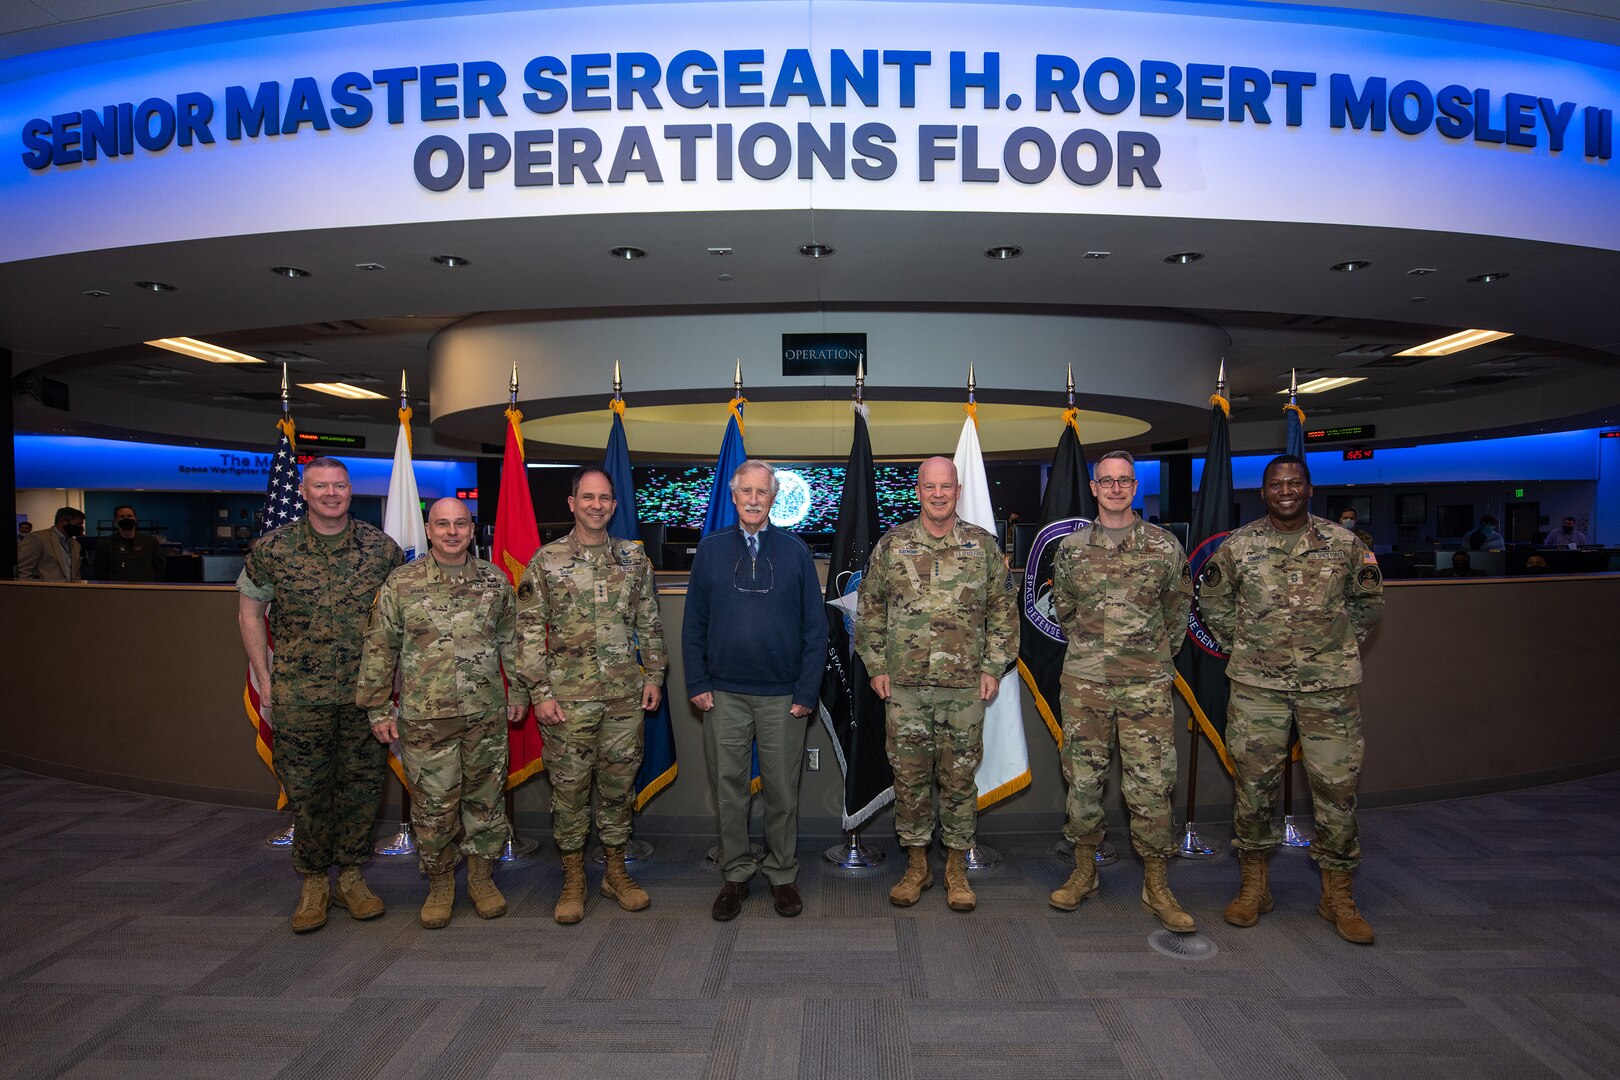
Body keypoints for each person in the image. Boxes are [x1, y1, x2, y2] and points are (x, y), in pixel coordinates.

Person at [1198, 454, 1384, 944]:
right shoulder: (1240, 546)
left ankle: (1338, 894)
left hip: (1330, 690)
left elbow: (1368, 604)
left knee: (1337, 790)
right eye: (1277, 484)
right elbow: (1213, 600)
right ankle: (1254, 886)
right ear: (1263, 492)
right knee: (1255, 788)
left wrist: (1337, 647)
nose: (1286, 490)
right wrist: (1241, 645)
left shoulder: (1345, 545)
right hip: (1258, 689)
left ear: (1309, 488)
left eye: (1294, 482)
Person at [236, 457, 404, 932]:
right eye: (320, 486)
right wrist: (264, 678)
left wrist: (394, 685)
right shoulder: (273, 548)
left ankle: (351, 877)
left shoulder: (380, 549)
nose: (331, 494)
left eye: (339, 486)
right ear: (304, 493)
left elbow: (398, 622)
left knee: (362, 789)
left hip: (365, 697)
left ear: (351, 491)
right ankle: (313, 881)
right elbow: (250, 613)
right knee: (307, 793)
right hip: (299, 696)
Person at [856, 456, 1018, 913]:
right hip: (905, 687)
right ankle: (917, 865)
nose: (939, 494)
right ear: (919, 490)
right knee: (909, 779)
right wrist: (876, 667)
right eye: (930, 486)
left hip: (964, 687)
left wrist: (992, 667)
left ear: (958, 489)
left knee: (959, 779)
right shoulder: (893, 545)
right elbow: (868, 609)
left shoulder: (982, 546)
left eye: (946, 486)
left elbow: (1005, 612)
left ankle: (956, 869)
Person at [357, 498, 527, 929]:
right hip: (426, 719)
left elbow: (513, 642)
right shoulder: (401, 583)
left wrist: (521, 690)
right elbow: (380, 647)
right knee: (434, 807)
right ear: (429, 530)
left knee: (485, 802)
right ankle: (439, 883)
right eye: (442, 524)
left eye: (461, 524)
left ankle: (483, 879)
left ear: (472, 530)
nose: (452, 532)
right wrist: (378, 707)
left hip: (485, 716)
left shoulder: (495, 581)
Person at [1047, 451, 1196, 931]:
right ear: (1094, 488)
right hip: (1085, 682)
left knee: (1151, 786)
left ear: (1135, 487)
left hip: (1146, 685)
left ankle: (1157, 886)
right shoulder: (1071, 548)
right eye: (1106, 481)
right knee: (1084, 782)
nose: (1115, 489)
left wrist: (1148, 657)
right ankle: (1084, 872)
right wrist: (1096, 651)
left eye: (1123, 481)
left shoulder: (1164, 546)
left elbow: (1178, 612)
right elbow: (1065, 610)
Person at [513, 466, 666, 925]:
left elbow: (649, 621)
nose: (596, 505)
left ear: (614, 505)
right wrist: (539, 692)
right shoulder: (547, 560)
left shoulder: (633, 559)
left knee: (619, 790)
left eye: (604, 498)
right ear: (572, 503)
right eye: (588, 498)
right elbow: (526, 633)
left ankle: (615, 871)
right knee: (571, 792)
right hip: (567, 700)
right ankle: (574, 877)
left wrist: (654, 676)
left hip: (624, 696)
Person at [684, 460, 827, 921]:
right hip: (723, 694)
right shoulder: (709, 550)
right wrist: (698, 681)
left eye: (761, 492)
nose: (752, 499)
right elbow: (694, 625)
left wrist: (807, 689)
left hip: (784, 696)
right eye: (744, 490)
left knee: (783, 790)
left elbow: (814, 628)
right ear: (733, 494)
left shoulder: (796, 551)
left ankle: (782, 875)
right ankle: (737, 873)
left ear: (774, 496)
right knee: (730, 789)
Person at [91, 504, 167, 582]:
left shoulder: (150, 541)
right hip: (116, 589)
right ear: (116, 520)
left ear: (136, 519)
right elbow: (99, 571)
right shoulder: (105, 544)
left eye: (129, 516)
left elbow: (160, 566)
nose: (126, 518)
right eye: (122, 516)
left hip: (145, 588)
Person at [16, 506, 85, 581]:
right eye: (78, 524)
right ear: (63, 521)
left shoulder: (75, 544)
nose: (80, 527)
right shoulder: (38, 538)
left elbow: (76, 572)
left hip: (69, 590)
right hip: (44, 590)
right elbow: (24, 570)